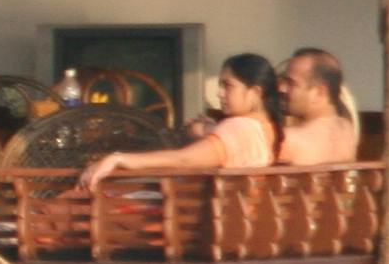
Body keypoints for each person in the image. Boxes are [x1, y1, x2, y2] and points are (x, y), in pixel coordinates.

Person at [78, 54, 281, 187]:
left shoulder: (239, 128)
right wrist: (213, 131)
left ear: (254, 93)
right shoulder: (268, 127)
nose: (219, 93)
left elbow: (184, 160)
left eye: (228, 86)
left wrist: (118, 159)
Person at [272, 47, 362, 166]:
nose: (282, 88)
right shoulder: (346, 129)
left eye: (291, 83)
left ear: (320, 92)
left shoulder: (288, 139)